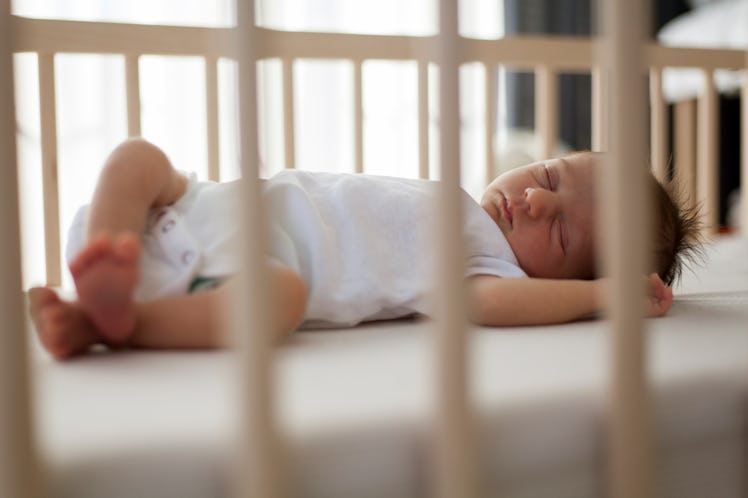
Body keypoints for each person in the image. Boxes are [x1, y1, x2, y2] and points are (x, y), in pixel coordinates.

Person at [28, 138, 701, 359]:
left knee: (280, 302)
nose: (535, 200)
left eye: (559, 233)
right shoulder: (459, 204)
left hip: (239, 276)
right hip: (197, 207)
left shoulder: (486, 264)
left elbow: (489, 305)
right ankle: (107, 254)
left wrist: (606, 295)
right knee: (138, 157)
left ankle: (114, 320)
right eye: (551, 176)